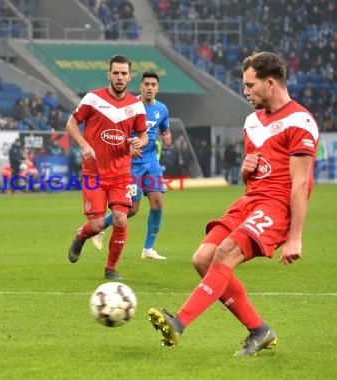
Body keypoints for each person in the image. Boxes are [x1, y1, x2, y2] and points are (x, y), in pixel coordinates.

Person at [148, 51, 319, 356]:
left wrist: (295, 238)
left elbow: (301, 183)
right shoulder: (252, 121)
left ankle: (179, 323)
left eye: (250, 85)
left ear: (270, 83)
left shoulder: (300, 121)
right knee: (202, 258)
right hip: (251, 200)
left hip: (277, 207)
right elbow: (254, 178)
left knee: (226, 253)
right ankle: (259, 330)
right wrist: (245, 171)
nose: (245, 91)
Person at [66, 54, 148, 281]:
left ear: (130, 77)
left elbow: (143, 136)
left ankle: (110, 268)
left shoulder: (136, 105)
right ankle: (82, 236)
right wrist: (84, 145)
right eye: (116, 73)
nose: (120, 77)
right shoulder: (92, 99)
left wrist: (137, 143)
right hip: (93, 172)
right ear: (108, 74)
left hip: (121, 172)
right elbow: (71, 123)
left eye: (124, 74)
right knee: (96, 224)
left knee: (121, 218)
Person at [91, 71, 171, 260]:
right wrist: (129, 145)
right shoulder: (130, 106)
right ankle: (100, 227)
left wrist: (167, 138)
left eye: (153, 85)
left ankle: (148, 249)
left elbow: (165, 130)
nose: (150, 88)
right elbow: (116, 132)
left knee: (158, 202)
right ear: (140, 86)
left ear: (157, 88)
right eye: (147, 84)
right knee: (132, 209)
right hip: (130, 165)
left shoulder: (162, 109)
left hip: (151, 162)